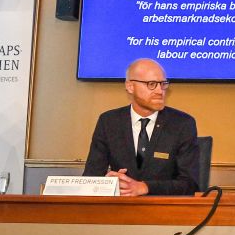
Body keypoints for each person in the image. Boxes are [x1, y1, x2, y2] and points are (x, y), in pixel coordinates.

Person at [83, 58, 200, 196]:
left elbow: (190, 184)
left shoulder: (182, 124)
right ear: (130, 86)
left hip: (164, 207)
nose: (160, 91)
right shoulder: (109, 122)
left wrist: (145, 187)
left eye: (163, 84)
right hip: (120, 206)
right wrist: (107, 183)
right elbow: (90, 177)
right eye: (152, 84)